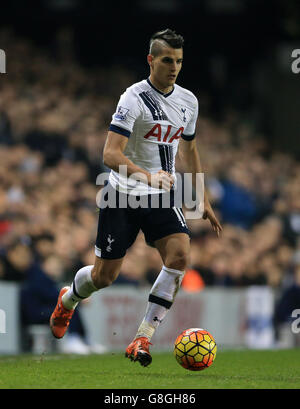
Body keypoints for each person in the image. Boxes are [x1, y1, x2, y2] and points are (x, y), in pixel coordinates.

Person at [50, 29, 222, 367]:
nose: (174, 67)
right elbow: (110, 154)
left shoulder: (188, 101)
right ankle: (68, 299)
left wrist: (202, 197)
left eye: (179, 61)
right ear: (151, 60)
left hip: (161, 195)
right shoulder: (133, 98)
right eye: (168, 60)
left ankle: (143, 336)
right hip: (122, 195)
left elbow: (188, 149)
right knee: (104, 278)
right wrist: (148, 176)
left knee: (179, 256)